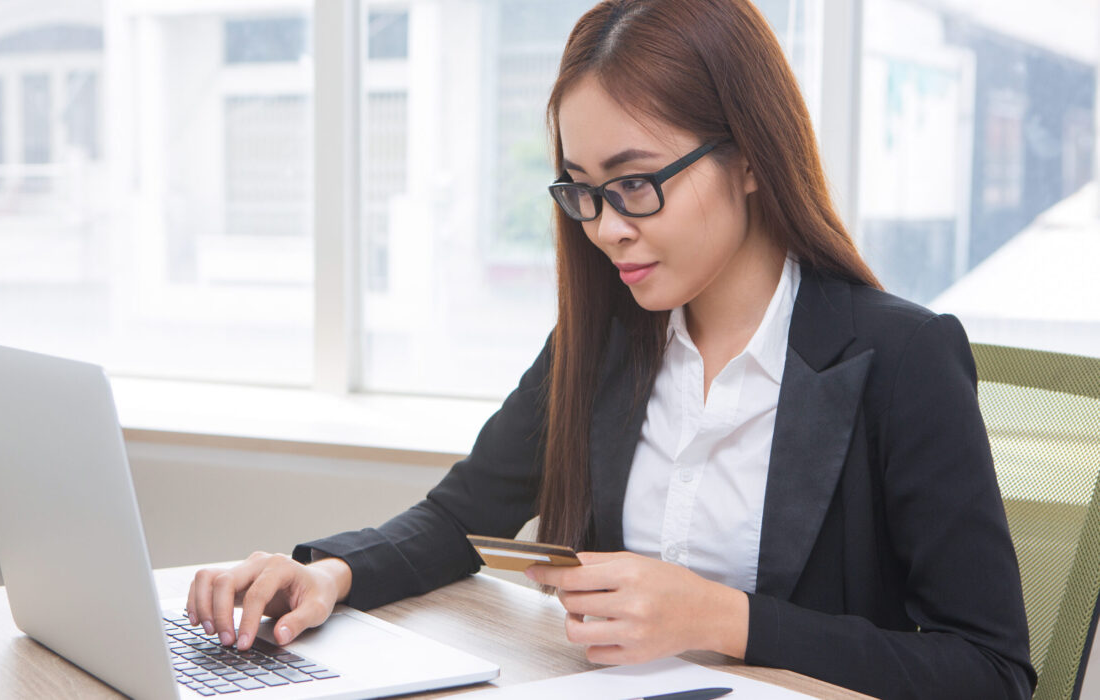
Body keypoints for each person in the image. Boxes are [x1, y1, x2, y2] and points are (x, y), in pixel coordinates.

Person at [185, 1, 1035, 697]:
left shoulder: (901, 358)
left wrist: (718, 617)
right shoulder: (609, 340)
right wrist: (331, 575)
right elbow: (459, 520)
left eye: (635, 184)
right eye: (583, 193)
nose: (607, 230)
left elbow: (990, 671)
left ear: (747, 159)